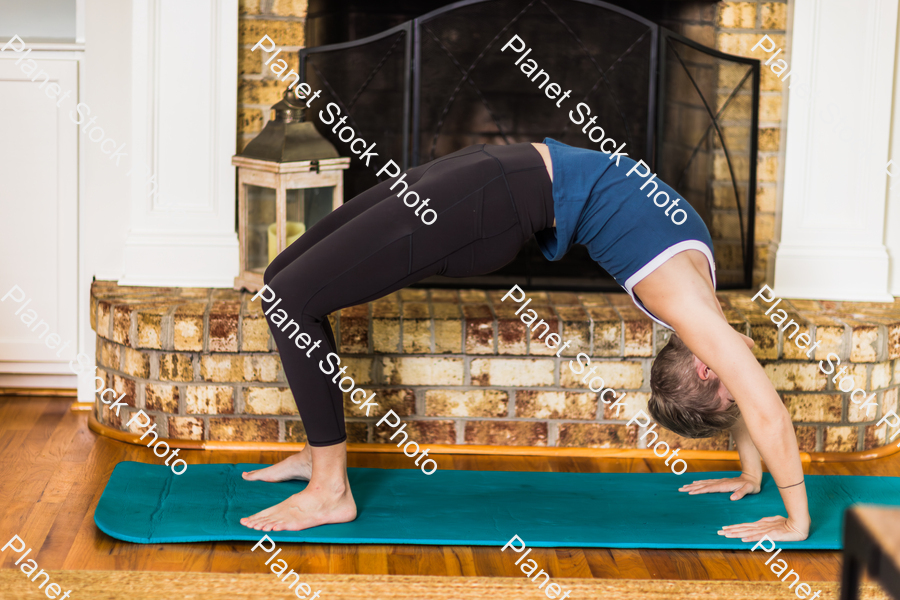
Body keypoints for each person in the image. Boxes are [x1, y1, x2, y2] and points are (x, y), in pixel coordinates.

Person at [238, 138, 810, 543]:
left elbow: (749, 403)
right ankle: (321, 456)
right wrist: (795, 518)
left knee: (291, 300)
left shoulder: (697, 298)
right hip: (491, 180)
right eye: (735, 387)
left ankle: (330, 488)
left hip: (491, 198)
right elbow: (765, 412)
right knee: (281, 281)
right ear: (711, 369)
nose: (746, 379)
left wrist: (754, 475)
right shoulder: (695, 310)